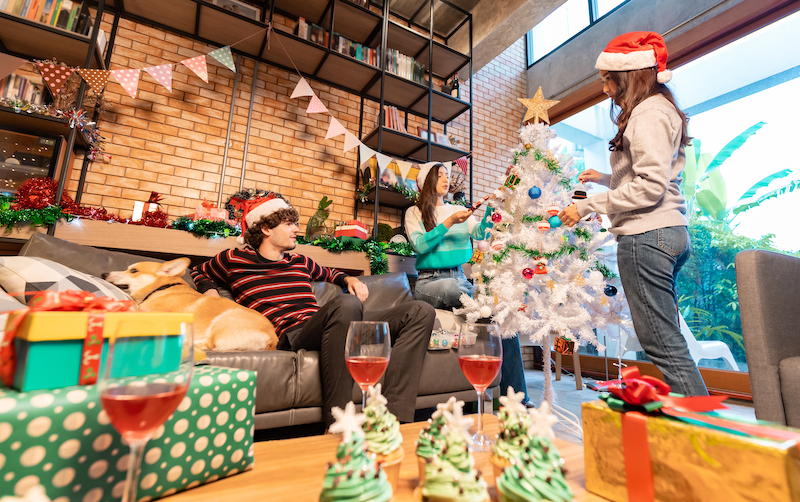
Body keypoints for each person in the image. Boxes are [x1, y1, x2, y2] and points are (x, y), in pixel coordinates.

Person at [191, 193, 436, 427]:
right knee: (347, 304)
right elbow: (198, 271)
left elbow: (330, 273)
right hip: (294, 334)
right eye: (288, 224)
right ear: (265, 229)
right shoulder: (235, 259)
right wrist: (210, 292)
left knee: (420, 311)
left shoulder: (299, 261)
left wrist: (348, 280)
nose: (296, 229)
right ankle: (337, 423)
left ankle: (393, 420)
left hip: (331, 325)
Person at [558, 31, 708, 396]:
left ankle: (706, 438)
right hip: (665, 231)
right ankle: (693, 430)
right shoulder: (658, 110)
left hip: (648, 235)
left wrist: (585, 206)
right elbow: (647, 175)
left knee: (660, 343)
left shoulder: (648, 114)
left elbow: (650, 187)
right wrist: (606, 178)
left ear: (630, 77)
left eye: (609, 80)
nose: (606, 89)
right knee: (666, 338)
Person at [405, 163, 534, 407]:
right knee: (458, 292)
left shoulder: (459, 209)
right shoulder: (415, 212)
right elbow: (420, 245)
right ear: (425, 183)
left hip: (460, 278)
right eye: (439, 175)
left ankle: (514, 397)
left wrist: (490, 210)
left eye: (446, 174)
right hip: (429, 282)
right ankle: (479, 301)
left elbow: (483, 234)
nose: (445, 178)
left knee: (500, 314)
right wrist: (450, 222)